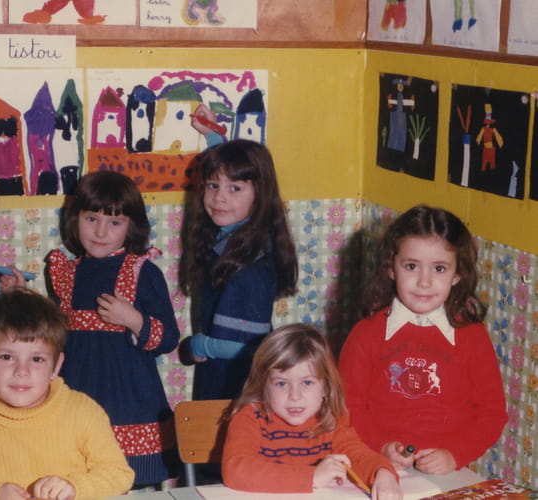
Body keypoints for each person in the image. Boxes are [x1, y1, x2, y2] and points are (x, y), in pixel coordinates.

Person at [339, 205, 507, 474]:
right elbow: (347, 407)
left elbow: (492, 413)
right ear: (391, 268)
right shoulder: (366, 334)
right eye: (411, 266)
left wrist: (455, 455)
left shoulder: (472, 335)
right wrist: (380, 446)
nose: (424, 282)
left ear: (457, 274)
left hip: (448, 472)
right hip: (375, 461)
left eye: (439, 268)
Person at [45, 170, 180, 488]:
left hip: (130, 394)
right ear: (75, 218)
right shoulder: (67, 272)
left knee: (135, 473)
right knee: (81, 476)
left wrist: (133, 320)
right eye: (91, 218)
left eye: (114, 222)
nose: (101, 231)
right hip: (78, 389)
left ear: (131, 226)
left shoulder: (142, 271)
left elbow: (169, 338)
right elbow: (54, 333)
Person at [0, 288, 134, 500]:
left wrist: (74, 487)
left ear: (56, 366)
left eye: (37, 359)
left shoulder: (83, 411)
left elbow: (120, 475)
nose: (22, 371)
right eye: (7, 357)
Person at [178, 106, 299, 400]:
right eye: (212, 185)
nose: (219, 197)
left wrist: (198, 346)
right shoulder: (241, 236)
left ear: (260, 194)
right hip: (225, 375)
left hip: (235, 383)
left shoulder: (251, 266)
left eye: (235, 189)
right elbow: (229, 175)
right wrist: (214, 136)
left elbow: (246, 345)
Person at [222, 324, 401, 500]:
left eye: (307, 382)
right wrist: (312, 477)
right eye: (282, 383)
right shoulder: (250, 418)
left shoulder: (331, 419)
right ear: (263, 386)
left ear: (326, 387)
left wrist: (382, 472)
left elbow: (356, 454)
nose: (295, 396)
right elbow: (235, 470)